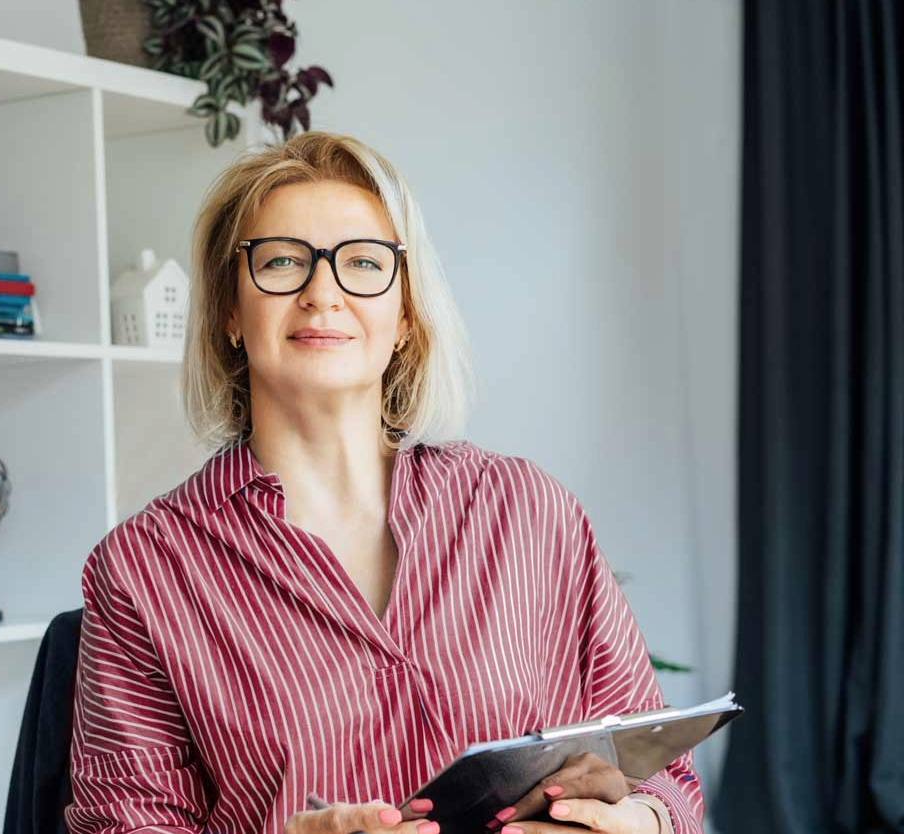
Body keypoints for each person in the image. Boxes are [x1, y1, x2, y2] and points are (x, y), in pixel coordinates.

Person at [63, 131, 703, 834]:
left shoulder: (528, 511)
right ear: (228, 312)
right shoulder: (144, 569)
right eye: (280, 262)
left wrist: (638, 823)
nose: (321, 293)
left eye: (362, 264)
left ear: (403, 315)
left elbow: (662, 776)